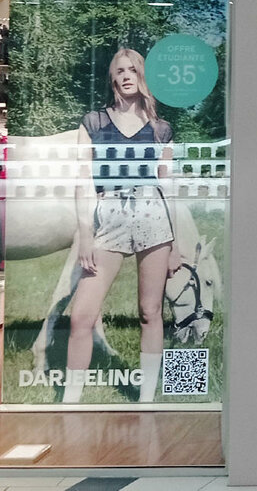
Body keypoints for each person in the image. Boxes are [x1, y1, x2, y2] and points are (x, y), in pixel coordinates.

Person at [65, 47, 179, 403]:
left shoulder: (161, 129)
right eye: (120, 71)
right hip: (109, 214)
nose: (127, 76)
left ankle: (147, 398)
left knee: (150, 311)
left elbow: (169, 187)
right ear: (112, 78)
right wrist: (86, 234)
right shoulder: (94, 122)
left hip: (152, 214)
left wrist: (175, 244)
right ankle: (71, 400)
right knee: (81, 315)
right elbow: (82, 182)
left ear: (143, 75)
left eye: (133, 69)